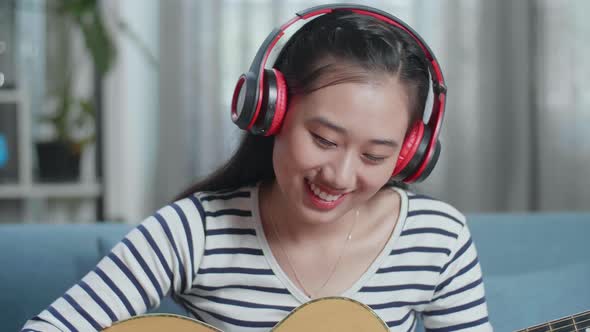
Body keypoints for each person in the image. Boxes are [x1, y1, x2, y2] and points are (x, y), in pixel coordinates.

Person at [22, 4, 492, 332]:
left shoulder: (438, 239)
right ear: (270, 112)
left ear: (412, 152)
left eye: (375, 156)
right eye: (324, 140)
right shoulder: (195, 231)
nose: (341, 176)